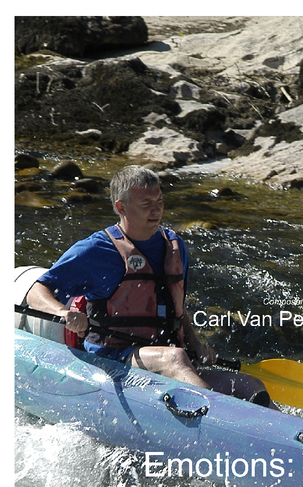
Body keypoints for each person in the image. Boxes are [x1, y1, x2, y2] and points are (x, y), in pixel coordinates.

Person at [25, 165, 270, 405]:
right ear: (121, 207)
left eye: (159, 200)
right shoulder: (96, 250)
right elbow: (37, 290)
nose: (156, 209)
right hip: (114, 360)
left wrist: (195, 344)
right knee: (174, 358)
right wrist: (64, 313)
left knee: (250, 386)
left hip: (168, 357)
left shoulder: (175, 246)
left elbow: (177, 307)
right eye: (146, 204)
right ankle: (218, 417)